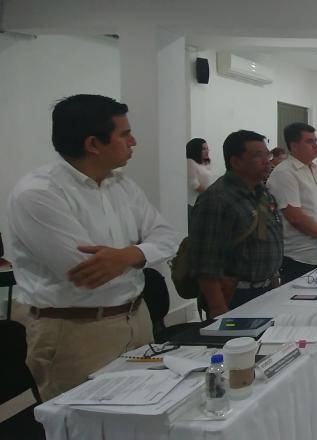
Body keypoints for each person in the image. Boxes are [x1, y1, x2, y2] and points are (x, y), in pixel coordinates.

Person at [7, 94, 178, 400]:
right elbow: (88, 272)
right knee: (86, 419)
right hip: (77, 331)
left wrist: (129, 254)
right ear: (93, 144)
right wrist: (142, 252)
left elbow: (168, 237)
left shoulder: (121, 184)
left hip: (136, 317)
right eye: (125, 134)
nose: (134, 142)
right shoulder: (39, 193)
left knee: (146, 410)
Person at [188, 130, 283, 316]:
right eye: (258, 156)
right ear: (236, 162)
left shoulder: (263, 193)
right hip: (235, 296)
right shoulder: (216, 199)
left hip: (266, 290)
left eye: (267, 155)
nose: (267, 161)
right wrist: (218, 309)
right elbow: (204, 262)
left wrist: (274, 286)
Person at [266, 122, 317, 282]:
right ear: (294, 146)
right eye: (309, 141)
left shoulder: (315, 170)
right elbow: (295, 217)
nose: (315, 145)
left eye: (316, 141)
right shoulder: (285, 173)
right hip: (298, 257)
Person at [186, 137, 217, 215]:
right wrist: (212, 194)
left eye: (207, 148)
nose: (207, 151)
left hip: (207, 203)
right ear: (196, 150)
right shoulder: (190, 162)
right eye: (203, 149)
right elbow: (194, 185)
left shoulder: (207, 163)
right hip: (195, 204)